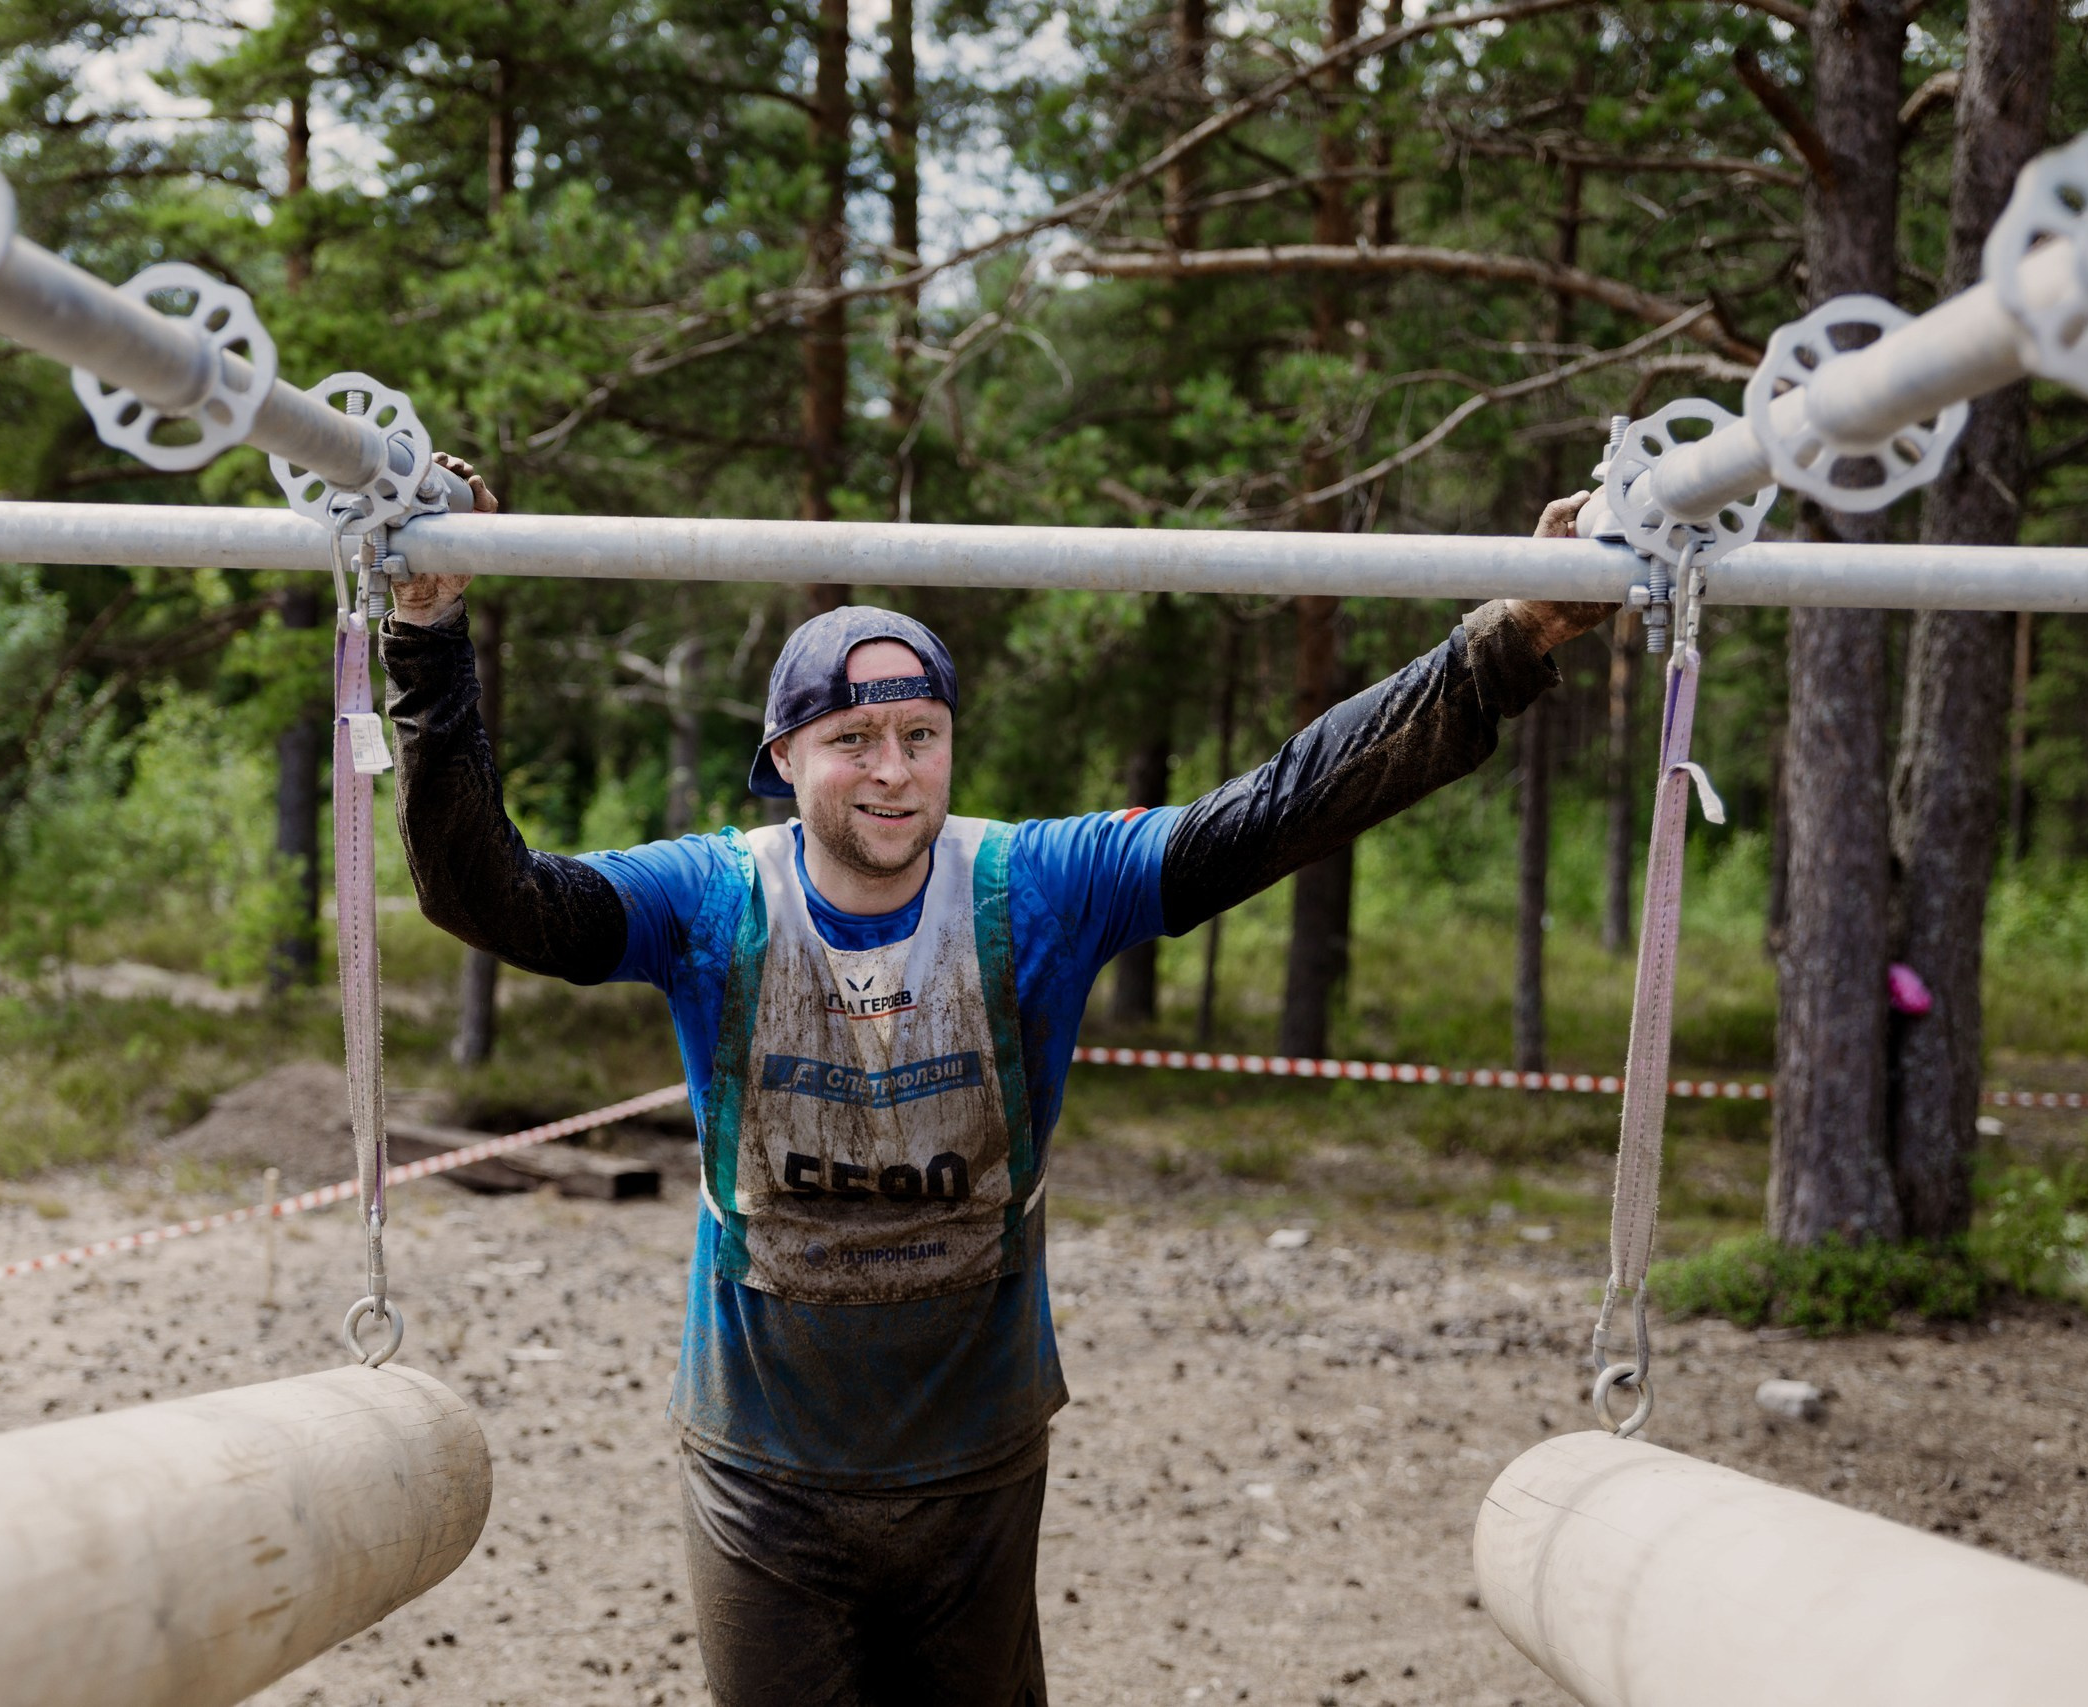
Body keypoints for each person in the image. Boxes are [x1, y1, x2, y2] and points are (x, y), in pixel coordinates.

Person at [385, 459, 1606, 1707]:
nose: (893, 771)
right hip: (760, 1473)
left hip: (977, 1466)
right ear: (784, 756)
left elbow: (1280, 808)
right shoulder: (710, 897)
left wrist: (1509, 640)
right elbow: (491, 895)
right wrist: (427, 636)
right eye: (853, 740)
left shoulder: (1039, 886)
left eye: (920, 737)